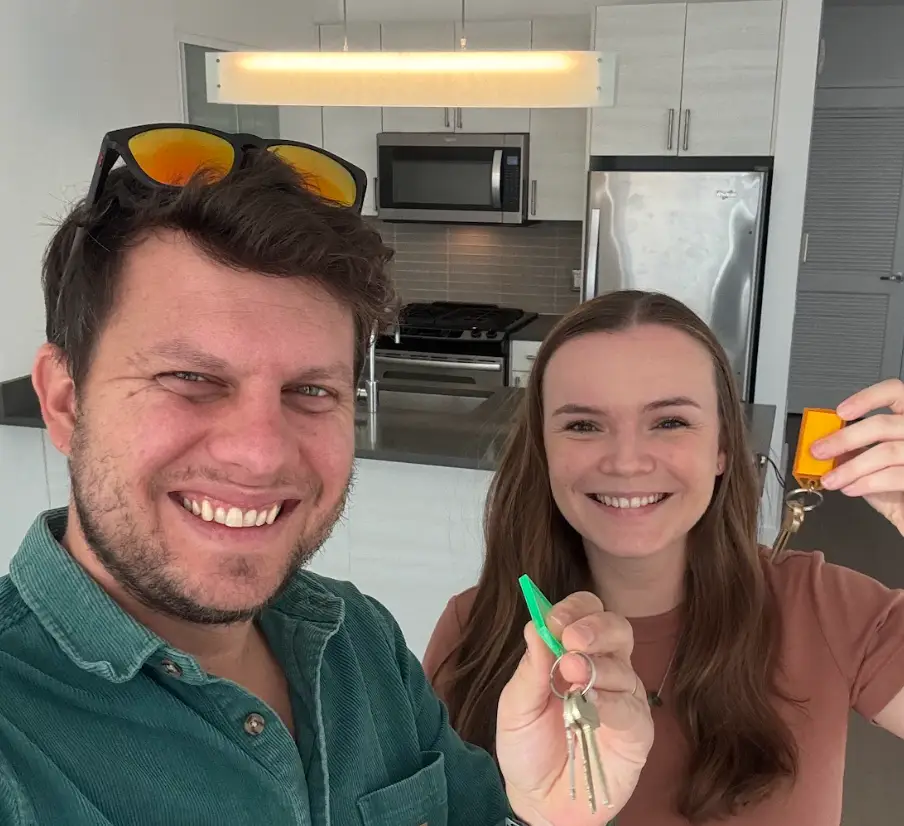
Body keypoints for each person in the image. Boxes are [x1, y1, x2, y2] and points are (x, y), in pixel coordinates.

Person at [0, 124, 654, 826]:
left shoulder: (359, 641)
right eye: (190, 378)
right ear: (65, 401)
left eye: (312, 391)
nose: (261, 454)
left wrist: (548, 816)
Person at [423, 289, 904, 826]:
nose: (627, 462)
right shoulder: (475, 629)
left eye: (670, 422)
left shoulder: (825, 606)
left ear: (722, 447)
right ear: (544, 451)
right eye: (583, 425)